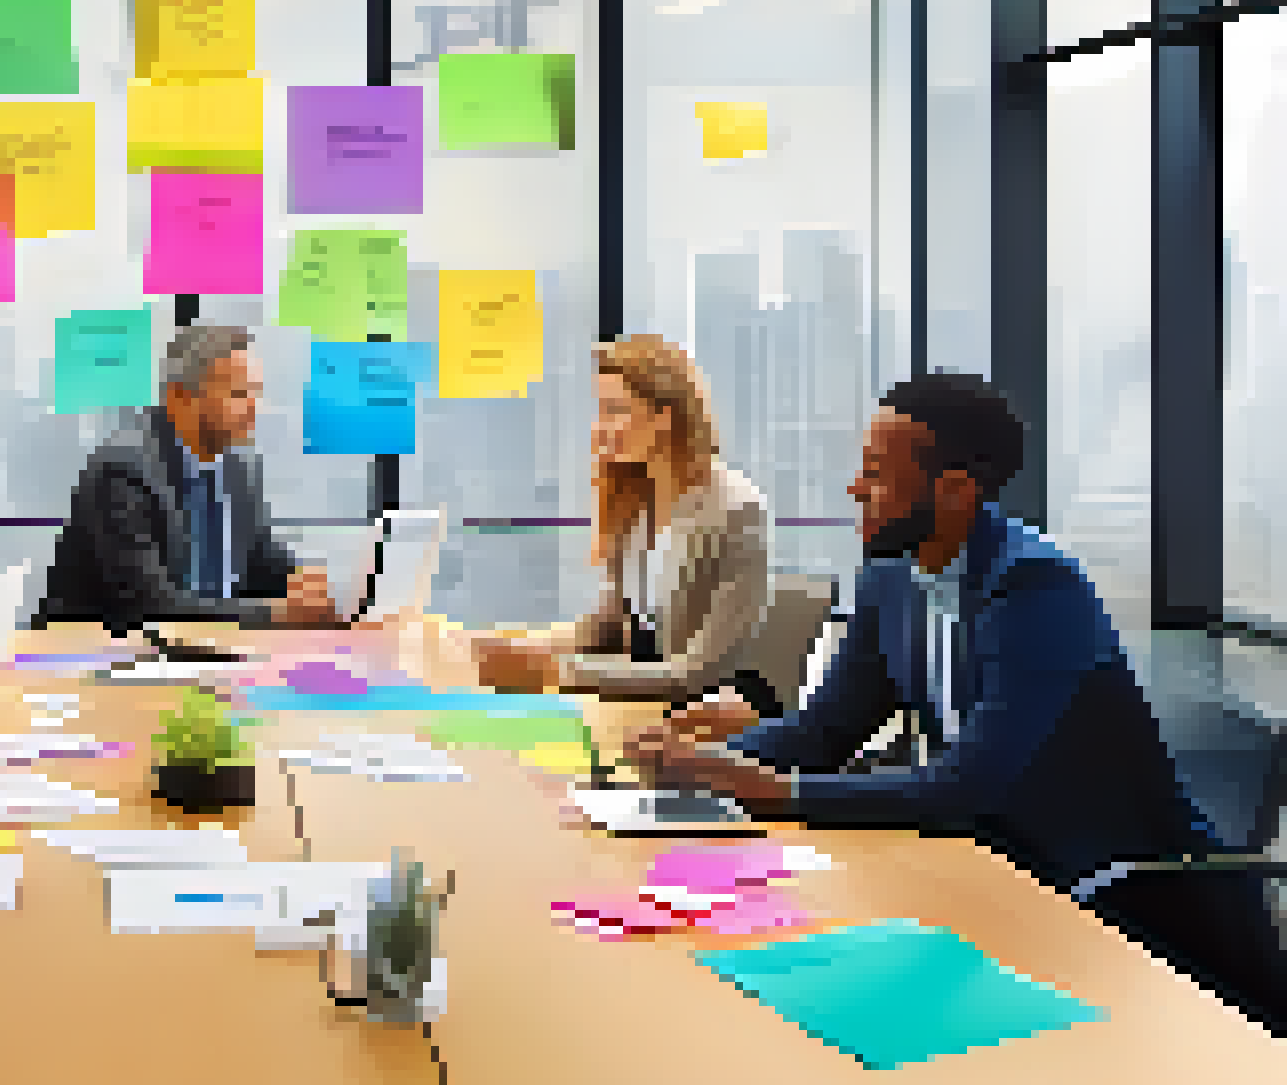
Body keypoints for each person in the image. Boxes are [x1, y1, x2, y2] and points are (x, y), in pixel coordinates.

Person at [623, 373, 1287, 1031]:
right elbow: (821, 732)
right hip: (991, 870)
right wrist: (701, 759)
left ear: (955, 491)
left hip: (1115, 898)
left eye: (877, 474)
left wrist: (780, 793)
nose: (856, 490)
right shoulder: (891, 576)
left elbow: (970, 785)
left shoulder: (1033, 587)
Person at [463, 335, 774, 711]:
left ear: (665, 416)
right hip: (642, 701)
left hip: (708, 717)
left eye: (616, 409)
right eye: (601, 410)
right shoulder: (638, 497)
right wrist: (521, 645)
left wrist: (556, 671)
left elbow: (701, 673)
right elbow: (610, 621)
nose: (601, 427)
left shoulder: (737, 509)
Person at [37, 324, 339, 632]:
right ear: (180, 397)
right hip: (99, 657)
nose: (254, 410)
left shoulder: (237, 465)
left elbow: (257, 556)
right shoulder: (122, 472)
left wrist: (303, 583)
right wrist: (275, 614)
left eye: (256, 394)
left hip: (201, 651)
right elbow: (151, 608)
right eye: (238, 394)